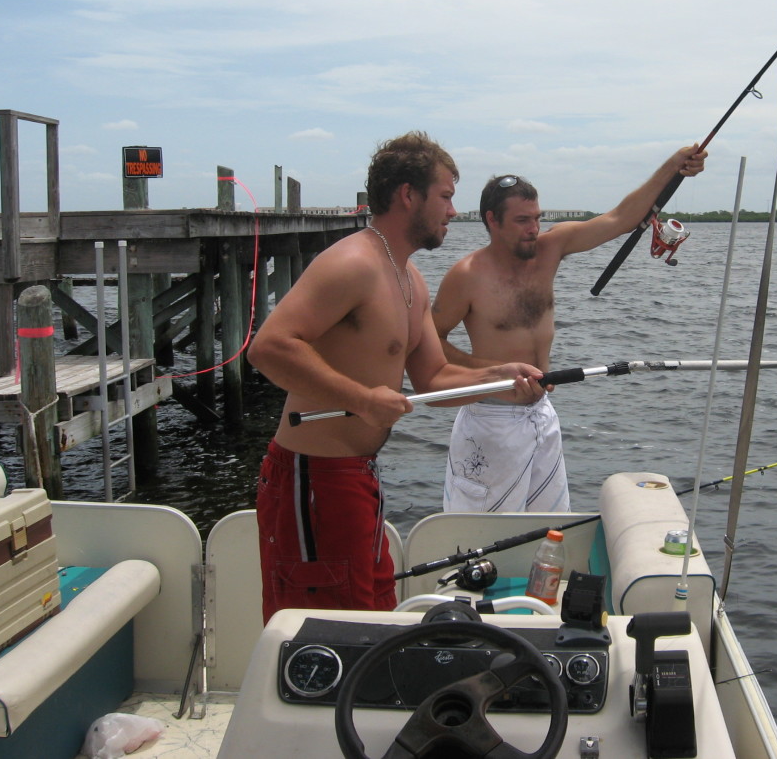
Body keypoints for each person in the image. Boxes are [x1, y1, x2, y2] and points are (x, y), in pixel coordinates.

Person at [247, 131, 545, 623]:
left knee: (373, 616)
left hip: (359, 478)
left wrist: (497, 376)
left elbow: (433, 377)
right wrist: (362, 398)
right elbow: (270, 347)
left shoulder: (410, 279)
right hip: (313, 479)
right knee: (323, 634)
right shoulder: (353, 262)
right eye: (446, 196)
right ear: (409, 195)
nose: (453, 211)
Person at [432, 144, 707, 513]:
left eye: (537, 218)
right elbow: (430, 341)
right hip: (490, 419)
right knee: (481, 537)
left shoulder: (551, 248)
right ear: (492, 220)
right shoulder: (465, 276)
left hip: (542, 413)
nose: (534, 229)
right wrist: (489, 373)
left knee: (549, 526)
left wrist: (674, 166)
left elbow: (621, 217)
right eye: (522, 221)